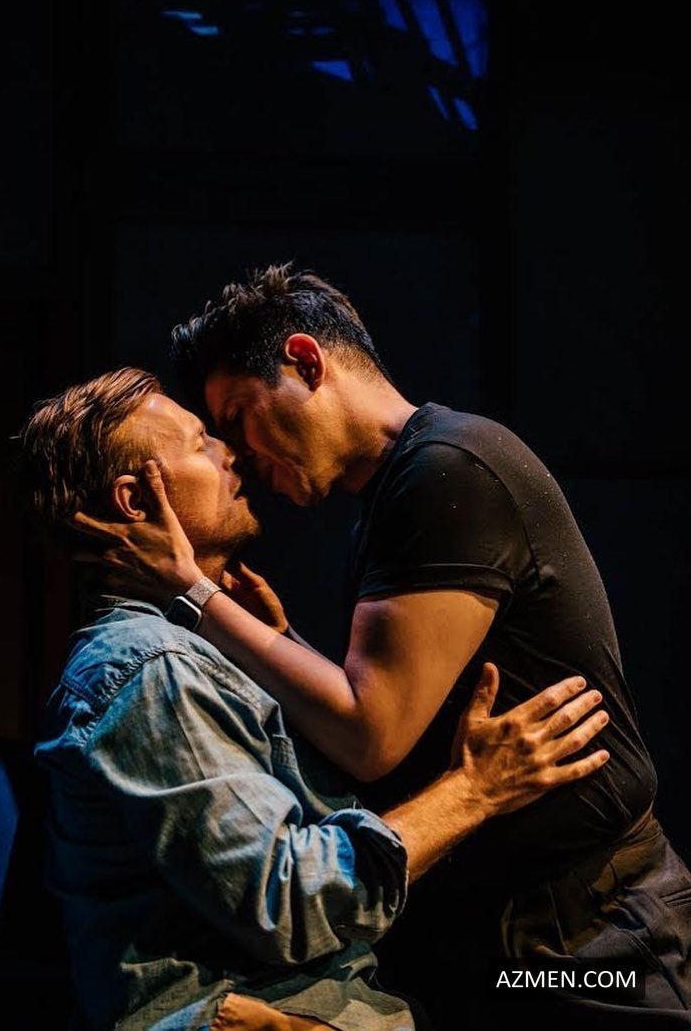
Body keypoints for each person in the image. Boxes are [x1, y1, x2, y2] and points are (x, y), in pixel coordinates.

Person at [73, 264, 691, 1028]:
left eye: (236, 417)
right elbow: (379, 714)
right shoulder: (399, 492)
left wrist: (195, 595)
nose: (237, 454)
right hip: (503, 927)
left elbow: (372, 735)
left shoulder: (446, 473)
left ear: (305, 361)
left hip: (588, 933)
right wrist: (280, 640)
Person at [14, 365, 611, 1031]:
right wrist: (472, 789)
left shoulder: (193, 650)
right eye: (200, 442)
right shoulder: (152, 671)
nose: (230, 453)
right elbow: (288, 902)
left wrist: (274, 643)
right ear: (134, 500)